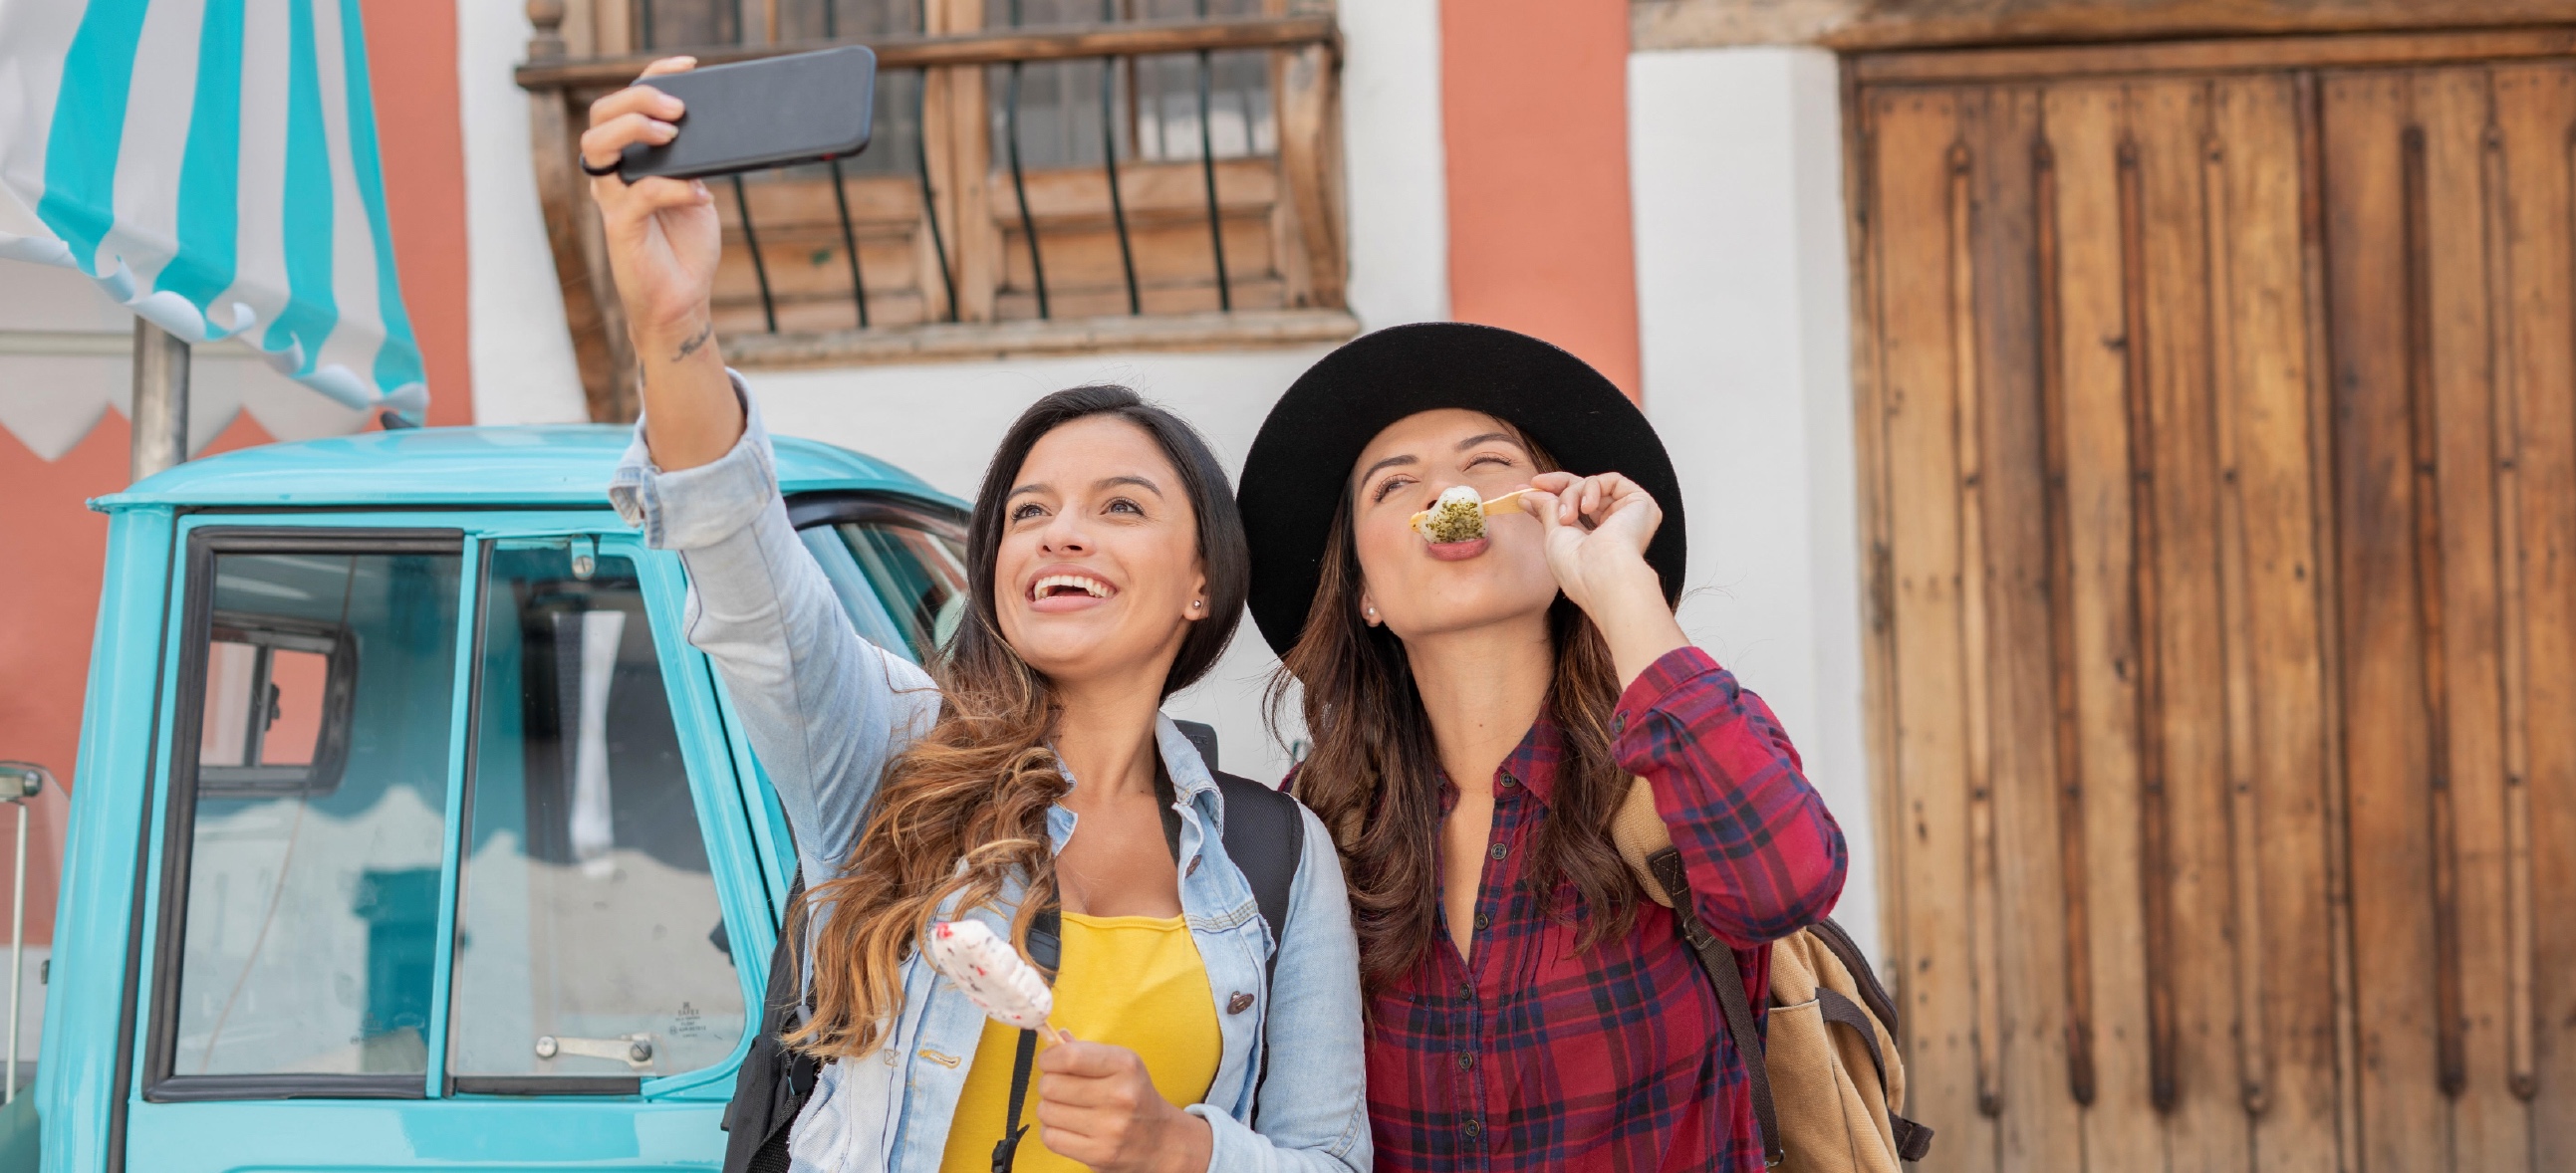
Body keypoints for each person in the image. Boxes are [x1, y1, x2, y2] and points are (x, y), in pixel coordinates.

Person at [580, 59, 1370, 1173]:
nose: (1059, 531)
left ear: (1202, 583)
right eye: (1029, 510)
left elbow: (1331, 1157)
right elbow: (748, 581)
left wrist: (1176, 1145)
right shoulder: (891, 754)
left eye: (1121, 506)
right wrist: (673, 320)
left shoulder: (1277, 857)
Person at [1235, 323, 1849, 1171]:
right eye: (1393, 484)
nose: (1443, 488)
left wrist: (1619, 589)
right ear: (1365, 592)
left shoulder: (1667, 767)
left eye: (1487, 465)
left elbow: (1787, 883)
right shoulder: (1315, 823)